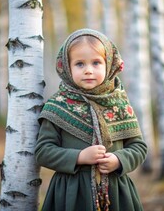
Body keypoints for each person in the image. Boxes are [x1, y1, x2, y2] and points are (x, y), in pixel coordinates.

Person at [35, 28, 147, 211]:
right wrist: (79, 157)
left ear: (109, 65)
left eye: (96, 63)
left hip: (116, 192)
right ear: (67, 67)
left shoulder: (119, 104)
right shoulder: (57, 106)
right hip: (71, 194)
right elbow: (43, 151)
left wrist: (119, 160)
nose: (88, 70)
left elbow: (139, 147)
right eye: (80, 64)